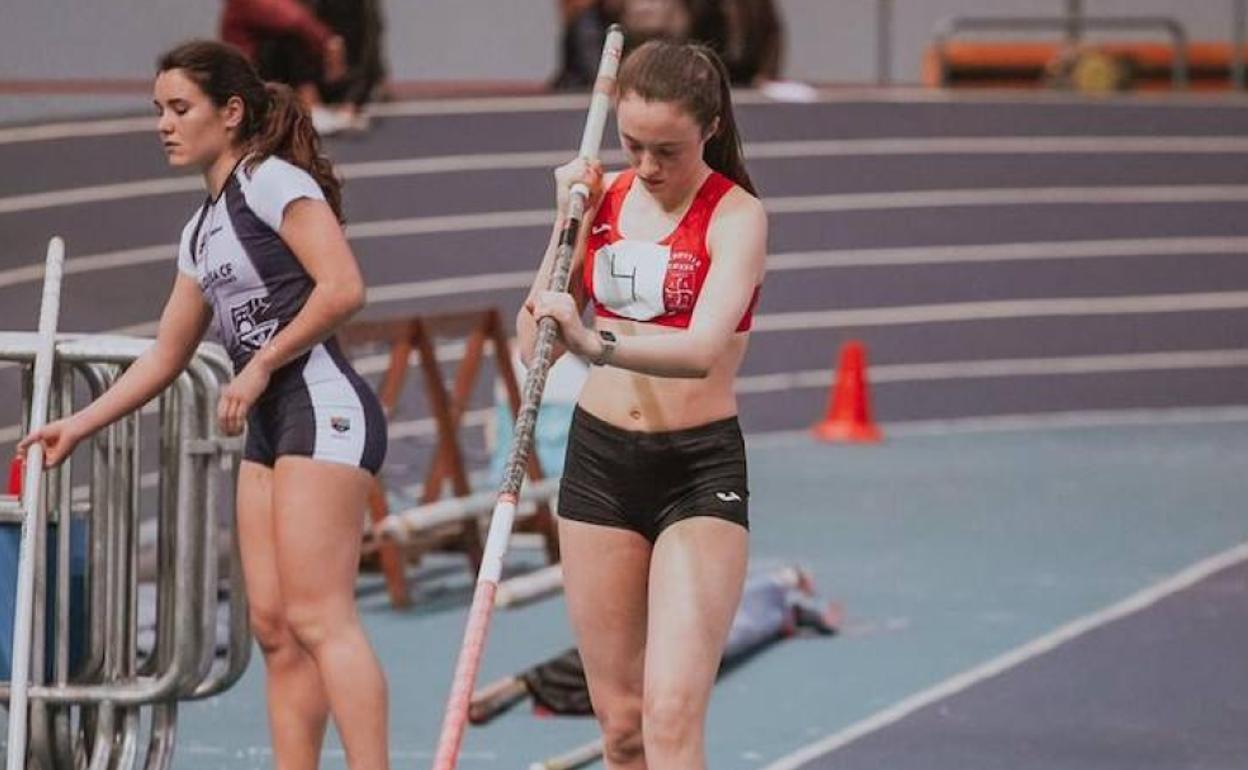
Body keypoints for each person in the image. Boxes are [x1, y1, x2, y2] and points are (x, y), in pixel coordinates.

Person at [18, 40, 389, 770]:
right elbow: (165, 354)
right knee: (274, 627)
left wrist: (259, 369)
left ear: (231, 112)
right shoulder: (201, 231)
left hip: (319, 404)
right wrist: (79, 425)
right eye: (158, 109)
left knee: (321, 617)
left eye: (180, 108)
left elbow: (343, 287)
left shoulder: (272, 181)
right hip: (269, 425)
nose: (164, 123)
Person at [519, 39, 767, 769]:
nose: (650, 167)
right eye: (634, 146)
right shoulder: (604, 200)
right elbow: (537, 326)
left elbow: (700, 351)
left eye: (669, 150)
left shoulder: (737, 215)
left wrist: (594, 344)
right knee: (621, 729)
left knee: (669, 715)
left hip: (696, 473)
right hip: (600, 466)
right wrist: (567, 217)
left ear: (711, 128)